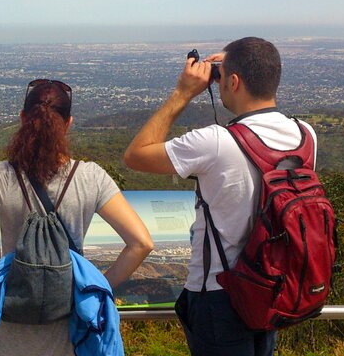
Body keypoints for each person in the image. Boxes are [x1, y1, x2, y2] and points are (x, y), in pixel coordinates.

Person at [123, 37, 317, 356]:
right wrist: (235, 62)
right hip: (272, 288)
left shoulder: (215, 142)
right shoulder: (306, 136)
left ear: (235, 81)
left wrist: (183, 92)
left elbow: (136, 155)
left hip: (219, 296)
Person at [0, 79, 154, 356]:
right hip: (70, 339)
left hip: (9, 341)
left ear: (22, 119)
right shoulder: (91, 178)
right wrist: (94, 288)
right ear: (68, 124)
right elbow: (141, 243)